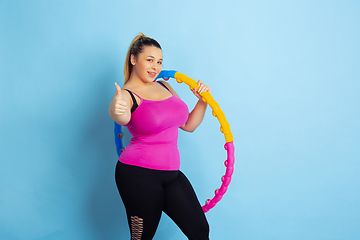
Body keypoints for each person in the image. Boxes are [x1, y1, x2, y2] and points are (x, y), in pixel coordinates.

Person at [109, 33, 211, 240]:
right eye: (149, 60)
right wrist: (117, 109)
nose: (155, 66)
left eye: (159, 61)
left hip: (172, 174)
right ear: (133, 59)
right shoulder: (127, 95)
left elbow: (188, 125)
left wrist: (203, 101)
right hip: (138, 175)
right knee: (142, 238)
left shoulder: (165, 85)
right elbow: (120, 116)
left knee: (200, 231)